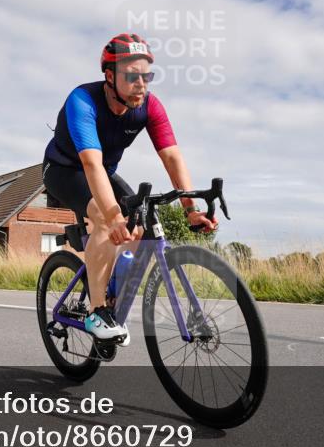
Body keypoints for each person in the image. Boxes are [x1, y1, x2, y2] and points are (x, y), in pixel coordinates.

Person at [42, 32, 217, 342]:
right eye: (132, 76)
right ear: (110, 76)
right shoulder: (82, 101)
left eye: (147, 75)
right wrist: (112, 218)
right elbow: (91, 165)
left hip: (104, 172)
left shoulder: (149, 106)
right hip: (64, 171)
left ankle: (111, 292)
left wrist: (191, 210)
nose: (141, 83)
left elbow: (172, 156)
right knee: (103, 216)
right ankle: (97, 310)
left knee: (138, 228)